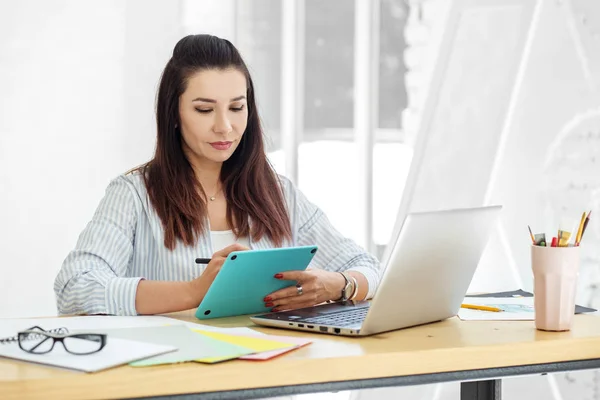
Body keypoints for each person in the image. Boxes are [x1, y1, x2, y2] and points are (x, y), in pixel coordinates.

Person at [54, 34, 382, 316]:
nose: (224, 126)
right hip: (176, 375)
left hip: (267, 371)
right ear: (174, 113)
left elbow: (369, 266)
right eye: (204, 110)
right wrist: (195, 291)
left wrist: (338, 286)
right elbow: (74, 288)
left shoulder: (278, 193)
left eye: (237, 108)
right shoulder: (133, 195)